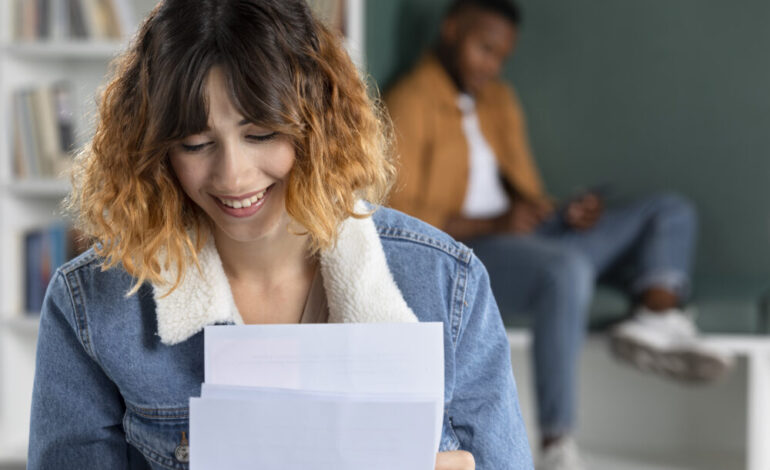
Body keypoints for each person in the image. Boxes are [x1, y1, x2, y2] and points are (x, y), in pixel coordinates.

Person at [27, 1, 534, 469]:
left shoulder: (449, 285)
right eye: (196, 143)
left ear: (317, 124)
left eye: (261, 134)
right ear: (156, 152)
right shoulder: (91, 304)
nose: (233, 176)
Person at [384, 0, 734, 469]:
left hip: (532, 233)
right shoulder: (409, 102)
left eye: (501, 56)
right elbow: (401, 221)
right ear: (451, 30)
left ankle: (656, 317)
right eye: (483, 48)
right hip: (474, 250)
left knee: (668, 211)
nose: (491, 65)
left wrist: (561, 212)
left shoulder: (498, 100)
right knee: (565, 270)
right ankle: (557, 443)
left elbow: (522, 189)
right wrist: (496, 225)